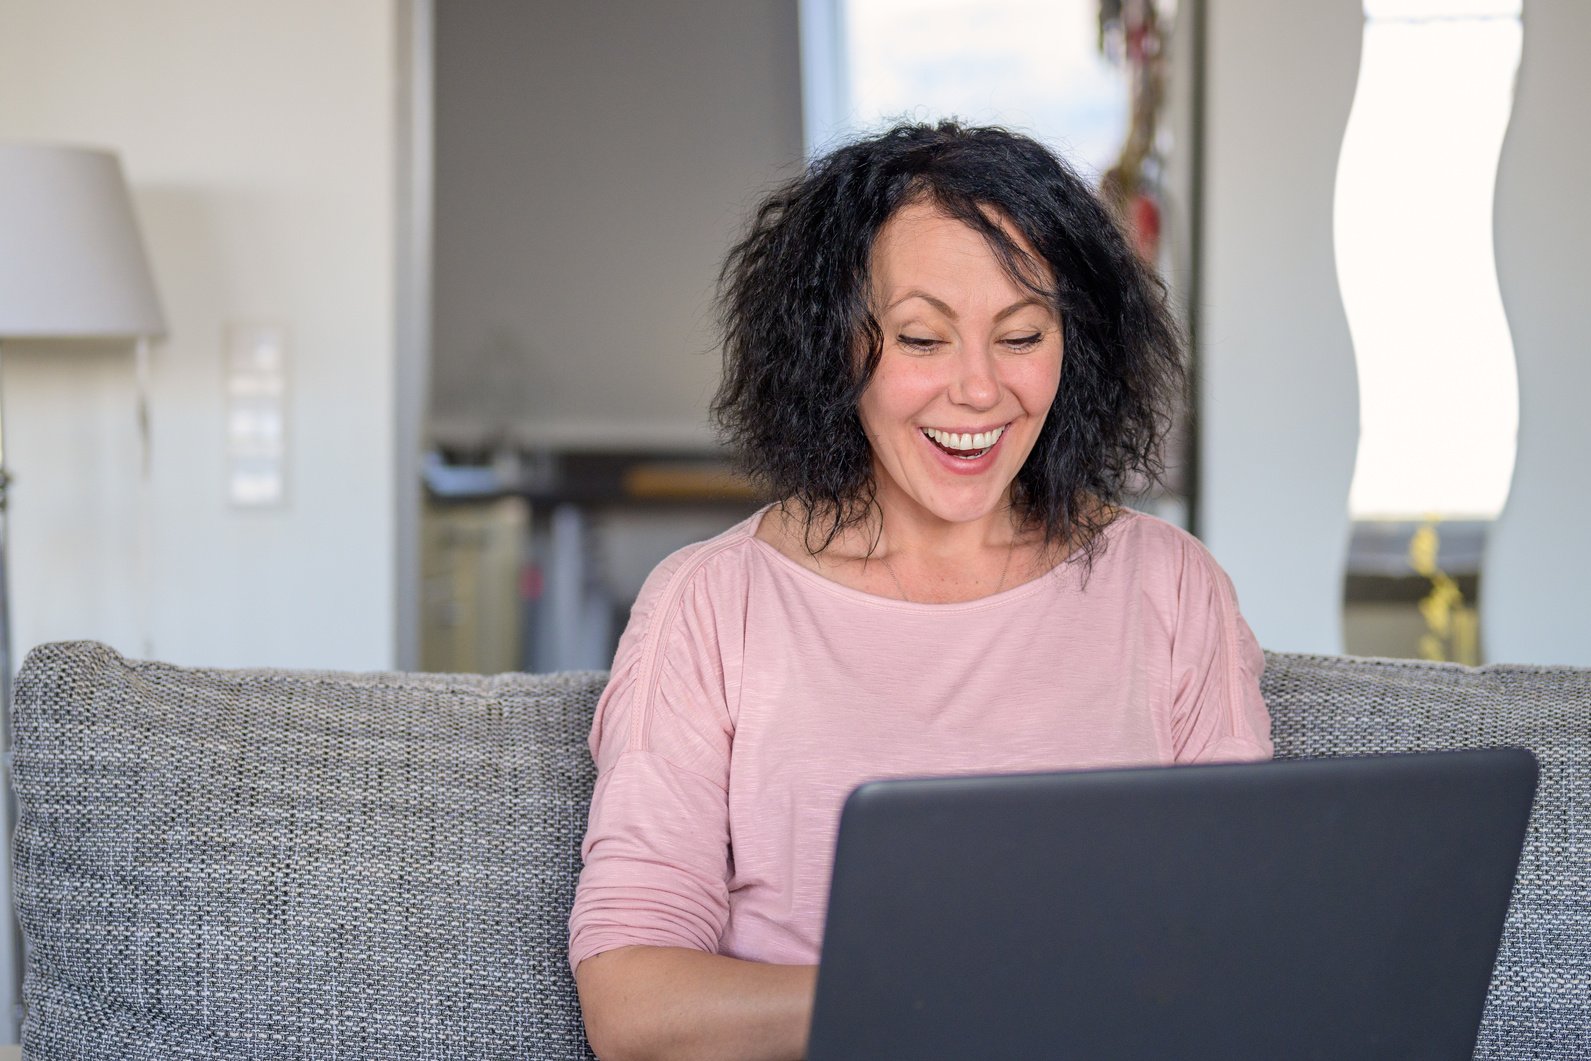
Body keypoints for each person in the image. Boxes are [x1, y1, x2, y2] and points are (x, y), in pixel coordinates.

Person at [568, 120, 1272, 1061]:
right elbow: (634, 1007)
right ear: (834, 348)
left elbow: (1246, 949)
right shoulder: (712, 602)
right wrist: (944, 991)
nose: (978, 390)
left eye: (1021, 335)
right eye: (921, 338)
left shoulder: (1170, 588)